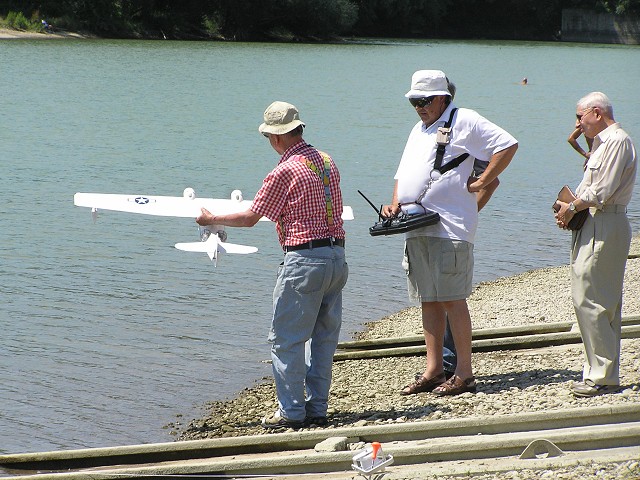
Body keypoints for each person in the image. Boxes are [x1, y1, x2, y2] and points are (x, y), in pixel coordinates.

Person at [196, 101, 348, 428]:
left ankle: (292, 413)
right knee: (323, 339)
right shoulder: (326, 161)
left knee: (286, 340)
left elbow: (251, 217)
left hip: (305, 260)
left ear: (276, 137)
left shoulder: (283, 170)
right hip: (337, 258)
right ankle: (317, 408)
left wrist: (212, 218)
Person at [383, 70, 518, 396]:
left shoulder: (465, 119)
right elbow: (403, 174)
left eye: (424, 100)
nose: (419, 106)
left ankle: (464, 373)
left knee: (452, 299)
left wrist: (483, 182)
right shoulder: (419, 129)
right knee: (428, 299)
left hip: (450, 228)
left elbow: (507, 144)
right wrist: (393, 205)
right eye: (414, 101)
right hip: (416, 225)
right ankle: (433, 370)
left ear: (443, 96)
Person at [554, 92, 637, 397]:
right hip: (596, 221)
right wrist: (570, 208)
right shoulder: (603, 143)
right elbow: (590, 187)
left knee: (592, 300)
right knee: (591, 297)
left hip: (605, 220)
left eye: (580, 117)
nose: (577, 123)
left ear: (597, 113)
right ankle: (601, 372)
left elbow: (600, 192)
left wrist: (571, 207)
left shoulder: (616, 141)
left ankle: (602, 375)